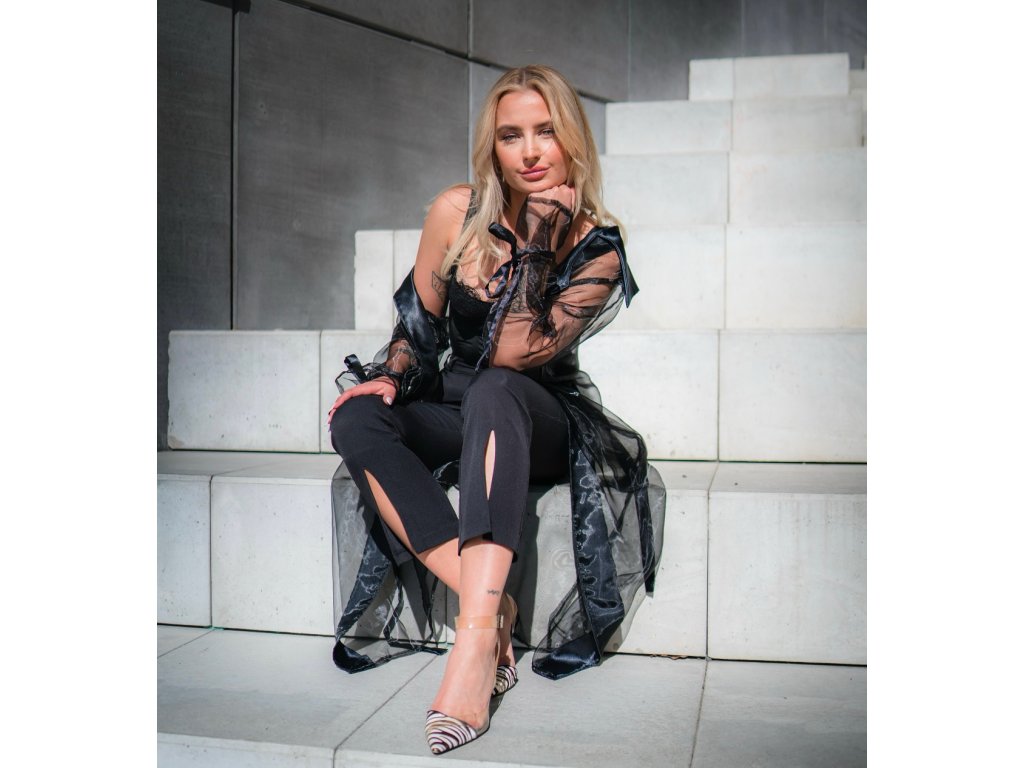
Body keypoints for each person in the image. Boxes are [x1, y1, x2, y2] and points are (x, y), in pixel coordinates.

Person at [327, 64, 665, 755]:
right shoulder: (457, 212)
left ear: (572, 141)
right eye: (512, 136)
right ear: (494, 147)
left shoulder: (597, 245)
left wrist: (538, 238)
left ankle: (475, 645)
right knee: (356, 416)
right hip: (457, 402)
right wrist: (391, 377)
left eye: (546, 132)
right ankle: (494, 603)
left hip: (536, 416)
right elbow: (418, 325)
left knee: (494, 388)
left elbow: (513, 353)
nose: (531, 151)